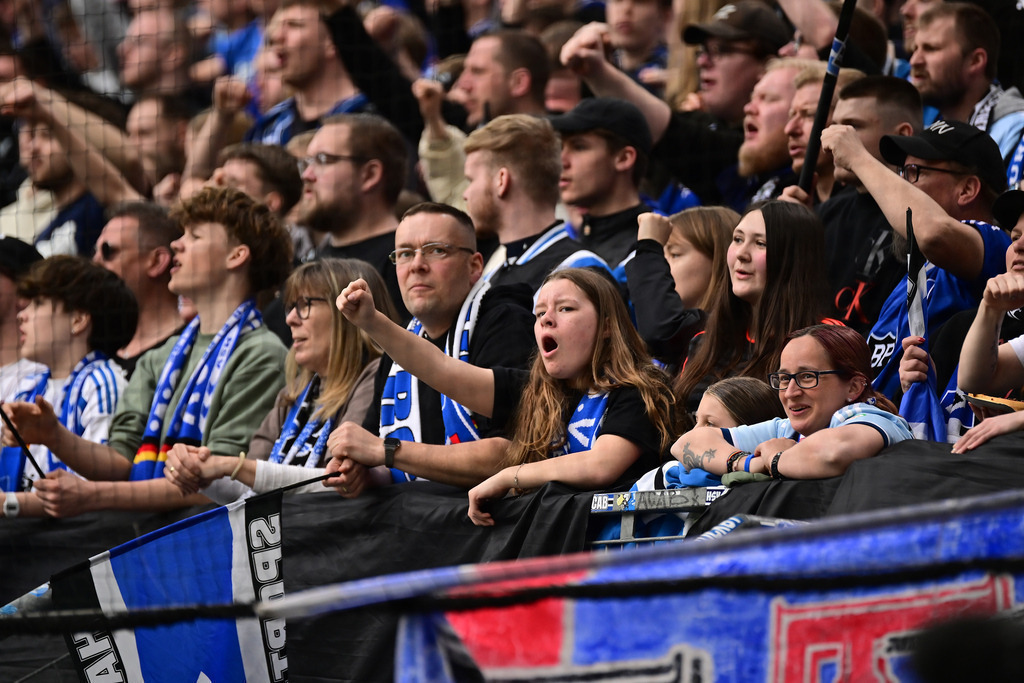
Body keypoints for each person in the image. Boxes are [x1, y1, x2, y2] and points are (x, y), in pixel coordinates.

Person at [1, 187, 292, 518]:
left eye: (195, 236)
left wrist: (93, 496)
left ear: (236, 256)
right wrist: (55, 436)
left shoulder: (261, 355)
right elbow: (121, 461)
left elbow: (220, 482)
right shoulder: (163, 355)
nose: (177, 244)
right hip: (143, 544)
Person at [332, 267, 674, 526]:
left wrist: (508, 476)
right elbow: (440, 369)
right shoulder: (537, 392)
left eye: (566, 309)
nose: (546, 320)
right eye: (539, 314)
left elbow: (600, 465)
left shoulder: (639, 389)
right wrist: (371, 322)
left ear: (609, 325)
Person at [324, 203, 537, 491]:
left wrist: (388, 451)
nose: (417, 265)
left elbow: (512, 456)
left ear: (474, 266)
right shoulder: (397, 347)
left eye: (437, 250)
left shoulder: (506, 322)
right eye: (405, 254)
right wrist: (360, 473)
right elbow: (382, 462)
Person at [163, 259, 399, 500]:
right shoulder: (294, 392)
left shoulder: (377, 376)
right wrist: (200, 473)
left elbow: (335, 485)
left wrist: (233, 466)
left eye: (305, 304)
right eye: (290, 307)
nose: (290, 319)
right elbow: (250, 491)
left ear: (351, 310)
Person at [823, 118, 1011, 399]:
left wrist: (859, 157)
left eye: (913, 172)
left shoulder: (999, 245)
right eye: (902, 171)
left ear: (967, 190)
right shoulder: (915, 269)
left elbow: (934, 233)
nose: (902, 184)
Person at [670, 324, 912, 480]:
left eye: (807, 377)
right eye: (784, 378)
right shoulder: (785, 429)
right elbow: (686, 443)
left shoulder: (877, 419)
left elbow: (833, 452)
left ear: (854, 386)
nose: (790, 392)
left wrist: (775, 460)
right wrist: (748, 464)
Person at [1, 256, 136, 516]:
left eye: (38, 304)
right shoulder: (28, 389)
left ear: (77, 320)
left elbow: (95, 488)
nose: (21, 316)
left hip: (78, 541)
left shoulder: (102, 382)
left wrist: (8, 505)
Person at [673, 200, 835, 413]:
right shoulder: (707, 340)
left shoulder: (825, 341)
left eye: (761, 243)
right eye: (738, 239)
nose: (741, 254)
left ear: (793, 258)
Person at [810, 76, 921, 337]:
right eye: (833, 127)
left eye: (851, 128)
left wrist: (858, 158)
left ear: (901, 135)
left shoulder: (922, 213)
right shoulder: (827, 213)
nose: (832, 142)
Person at [915, 188, 1024, 453]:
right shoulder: (962, 325)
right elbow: (972, 380)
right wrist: (990, 308)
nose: (1018, 245)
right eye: (1016, 236)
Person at [462, 113, 607, 290]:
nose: (465, 194)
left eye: (471, 180)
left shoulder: (578, 269)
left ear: (501, 180)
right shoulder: (492, 275)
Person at [301, 113, 410, 321]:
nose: (307, 174)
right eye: (307, 162)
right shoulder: (312, 260)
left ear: (369, 175)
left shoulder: (404, 266)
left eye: (322, 160)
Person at [909, 3, 1024, 187]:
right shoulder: (930, 129)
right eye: (915, 49)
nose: (914, 60)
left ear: (975, 61)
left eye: (931, 48)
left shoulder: (1017, 130)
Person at [549, 97, 652, 281]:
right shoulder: (564, 240)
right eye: (561, 148)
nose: (561, 161)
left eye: (579, 147)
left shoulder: (656, 244)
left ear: (624, 158)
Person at [246, 0, 370, 145]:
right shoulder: (268, 128)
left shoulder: (372, 118)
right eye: (277, 27)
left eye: (294, 25)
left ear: (334, 41)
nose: (276, 36)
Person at [625, 207, 738, 367]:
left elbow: (661, 331)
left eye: (675, 254)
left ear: (718, 260)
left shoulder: (727, 334)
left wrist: (649, 246)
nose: (662, 265)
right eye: (661, 255)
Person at [92, 201, 183, 375]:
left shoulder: (188, 346)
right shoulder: (96, 344)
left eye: (108, 251)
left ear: (157, 261)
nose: (95, 262)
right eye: (94, 252)